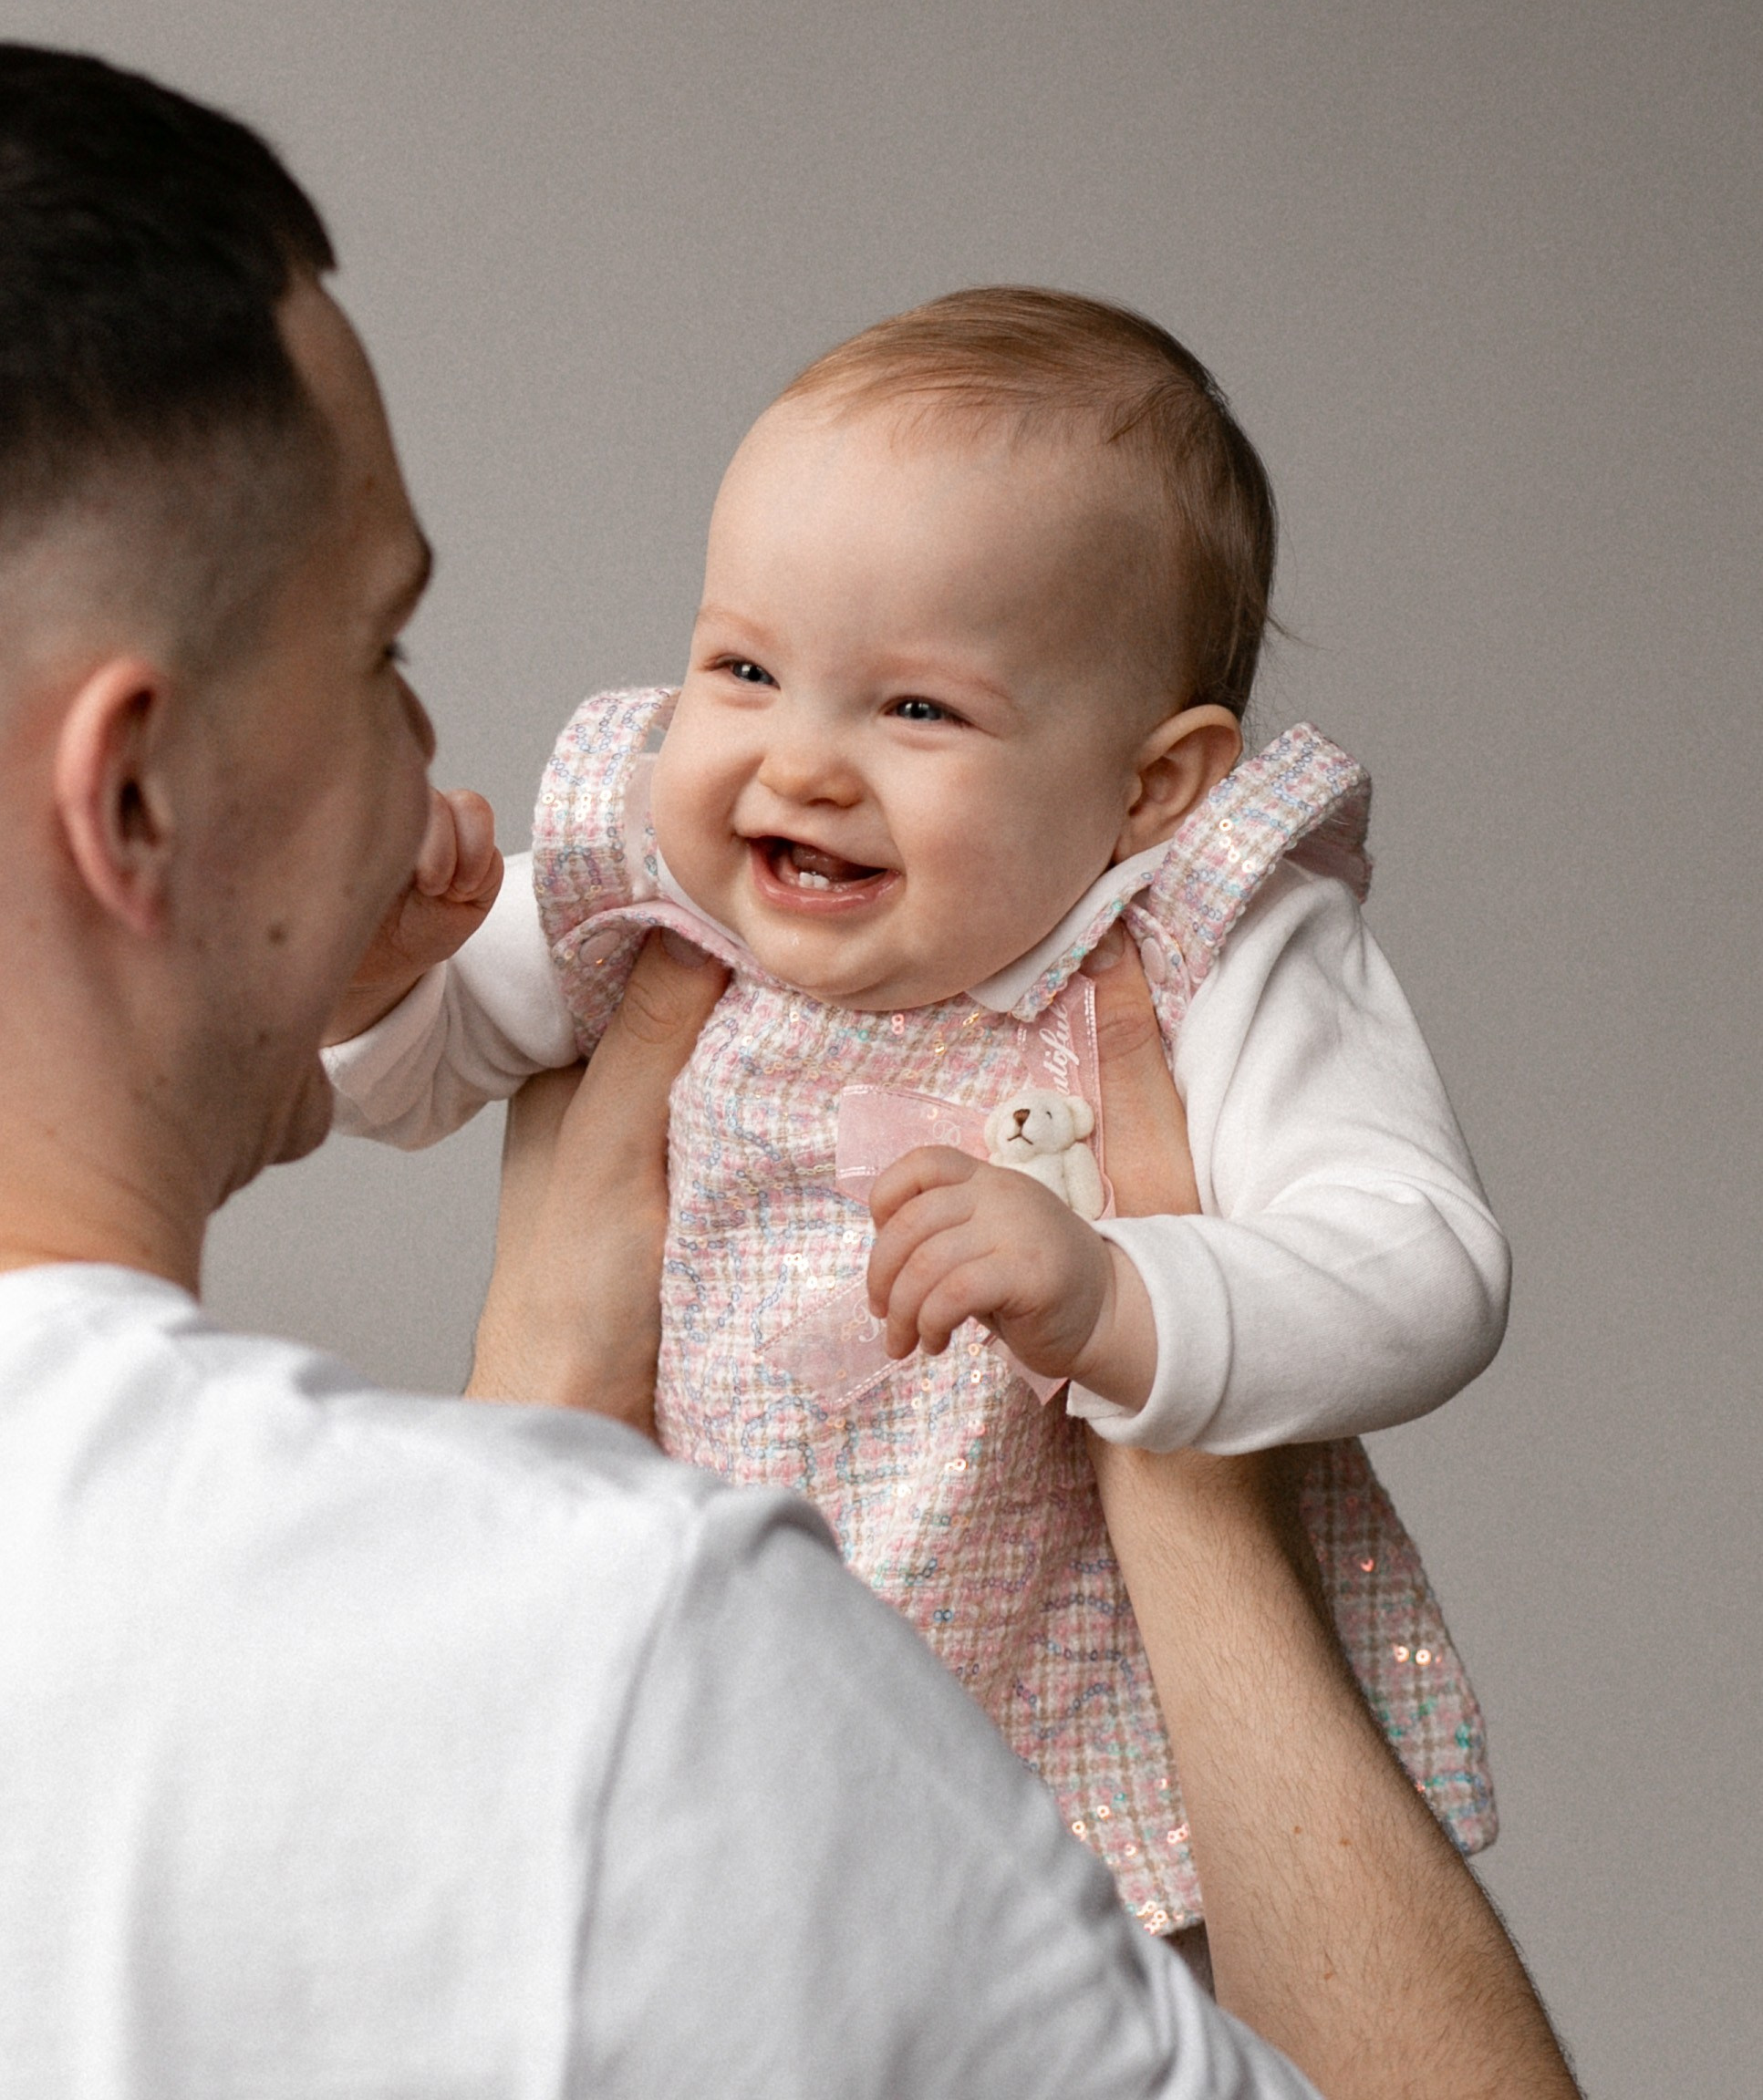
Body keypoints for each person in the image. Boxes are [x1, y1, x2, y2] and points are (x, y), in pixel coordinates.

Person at [0, 31, 1694, 2100]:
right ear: (138, 798)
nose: (484, 752)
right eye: (385, 642)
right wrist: (1173, 1443)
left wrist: (549, 1367)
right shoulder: (606, 1687)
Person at [317, 292, 1506, 1953]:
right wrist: (379, 981)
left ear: (1149, 787)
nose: (795, 763)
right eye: (743, 668)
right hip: (712, 1703)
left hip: (1091, 1750)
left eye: (917, 710)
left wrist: (1122, 1295)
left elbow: (1424, 1267)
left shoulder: (1196, 950)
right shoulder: (662, 888)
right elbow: (419, 1074)